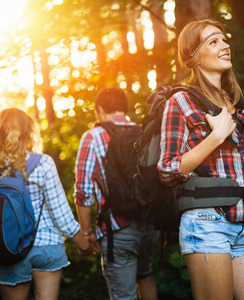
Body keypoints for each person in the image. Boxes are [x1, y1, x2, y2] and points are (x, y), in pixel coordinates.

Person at [157, 19, 244, 300]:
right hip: (207, 222)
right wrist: (215, 137)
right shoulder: (180, 102)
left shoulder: (236, 104)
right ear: (193, 56)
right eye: (213, 41)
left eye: (224, 39)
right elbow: (166, 170)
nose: (224, 45)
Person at [0, 108, 91, 300]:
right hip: (47, 246)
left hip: (9, 249)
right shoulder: (43, 164)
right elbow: (62, 217)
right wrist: (85, 245)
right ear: (29, 132)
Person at [74, 87, 160, 300]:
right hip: (151, 225)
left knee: (123, 296)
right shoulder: (145, 132)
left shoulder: (93, 137)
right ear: (124, 108)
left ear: (100, 109)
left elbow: (83, 191)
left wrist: (86, 233)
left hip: (116, 230)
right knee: (145, 275)